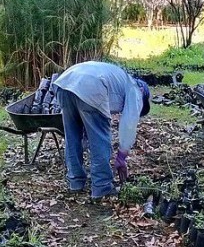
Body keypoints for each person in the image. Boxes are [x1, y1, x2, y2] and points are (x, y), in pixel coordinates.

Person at [53, 61, 151, 199]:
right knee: (100, 140)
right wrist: (121, 157)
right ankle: (102, 186)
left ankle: (75, 181)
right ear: (143, 93)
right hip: (91, 86)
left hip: (64, 83)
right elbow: (129, 124)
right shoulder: (136, 89)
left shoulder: (119, 78)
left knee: (72, 136)